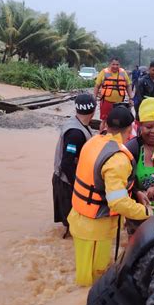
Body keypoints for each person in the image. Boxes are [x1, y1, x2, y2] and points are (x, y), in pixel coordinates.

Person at [68, 105, 152, 287]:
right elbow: (118, 203)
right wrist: (145, 212)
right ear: (131, 129)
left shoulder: (93, 141)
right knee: (93, 280)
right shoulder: (118, 159)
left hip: (79, 218)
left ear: (105, 124)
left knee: (83, 276)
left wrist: (135, 192)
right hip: (96, 228)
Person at [52, 93, 96, 238]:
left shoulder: (76, 123)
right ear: (94, 110)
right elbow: (66, 163)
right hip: (66, 182)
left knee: (74, 222)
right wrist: (77, 185)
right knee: (73, 225)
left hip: (65, 179)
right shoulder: (76, 134)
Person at [93, 58, 134, 133]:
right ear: (110, 64)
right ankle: (101, 136)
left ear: (119, 65)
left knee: (119, 121)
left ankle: (116, 135)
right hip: (106, 101)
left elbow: (128, 85)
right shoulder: (104, 72)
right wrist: (94, 97)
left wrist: (131, 98)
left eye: (117, 64)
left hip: (119, 103)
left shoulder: (123, 73)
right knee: (104, 121)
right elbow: (97, 86)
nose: (115, 66)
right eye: (113, 64)